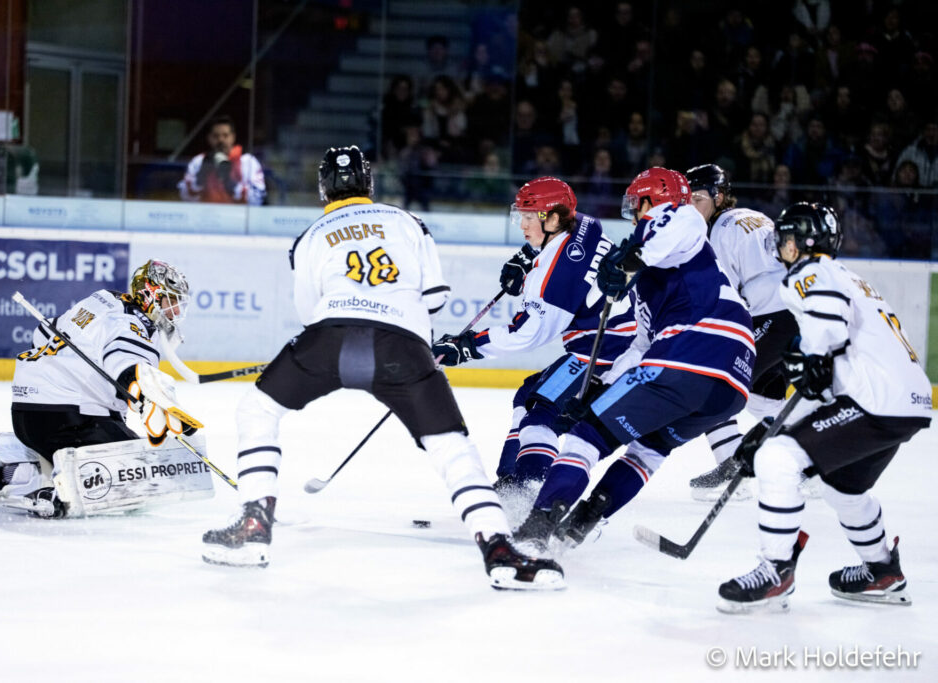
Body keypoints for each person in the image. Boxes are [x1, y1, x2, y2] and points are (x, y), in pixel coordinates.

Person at [201, 146, 564, 591]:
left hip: (330, 338)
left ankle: (255, 523)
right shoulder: (408, 222)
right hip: (401, 348)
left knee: (256, 412)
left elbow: (309, 315)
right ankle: (498, 547)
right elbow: (434, 298)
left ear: (323, 189)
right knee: (451, 447)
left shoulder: (310, 236)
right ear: (369, 184)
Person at [515, 168, 755, 549]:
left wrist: (629, 260)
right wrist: (599, 390)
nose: (633, 213)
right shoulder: (653, 280)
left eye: (635, 204)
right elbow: (641, 347)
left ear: (649, 200)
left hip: (693, 351)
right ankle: (582, 522)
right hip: (732, 381)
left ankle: (536, 527)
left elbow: (676, 224)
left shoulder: (677, 216)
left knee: (586, 436)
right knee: (649, 448)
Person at [717, 202, 932, 613]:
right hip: (907, 402)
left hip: (874, 401)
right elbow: (828, 382)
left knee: (778, 459)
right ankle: (882, 571)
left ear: (802, 242)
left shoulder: (811, 272)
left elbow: (826, 330)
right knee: (843, 487)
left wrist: (813, 355)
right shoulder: (850, 276)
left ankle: (775, 570)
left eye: (785, 237)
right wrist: (776, 421)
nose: (780, 244)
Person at [431, 177, 634, 503]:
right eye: (522, 215)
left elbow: (527, 334)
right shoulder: (585, 224)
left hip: (603, 353)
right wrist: (527, 257)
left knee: (541, 414)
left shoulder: (553, 279)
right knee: (527, 392)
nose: (523, 224)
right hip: (624, 342)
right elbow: (566, 251)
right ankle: (513, 478)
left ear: (553, 219)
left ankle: (527, 492)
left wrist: (467, 345)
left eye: (531, 217)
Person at [0, 260, 194, 518]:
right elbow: (125, 363)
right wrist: (150, 398)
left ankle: (10, 471)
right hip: (70, 419)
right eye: (170, 301)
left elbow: (41, 333)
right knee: (144, 473)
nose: (174, 311)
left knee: (101, 449)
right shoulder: (135, 324)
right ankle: (61, 492)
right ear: (150, 294)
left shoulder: (103, 300)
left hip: (27, 415)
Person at [684, 164, 799, 501]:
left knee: (709, 386)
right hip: (794, 313)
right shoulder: (752, 216)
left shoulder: (717, 232)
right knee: (765, 398)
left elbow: (724, 301)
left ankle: (732, 469)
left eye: (698, 198)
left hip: (773, 317)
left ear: (719, 197)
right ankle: (810, 467)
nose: (691, 207)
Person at [178, 115, 267, 205]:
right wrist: (199, 179)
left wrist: (231, 183)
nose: (221, 140)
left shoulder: (248, 161)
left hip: (238, 216)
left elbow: (257, 200)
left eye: (225, 135)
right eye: (216, 136)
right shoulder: (198, 161)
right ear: (209, 138)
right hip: (206, 215)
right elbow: (184, 197)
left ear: (233, 137)